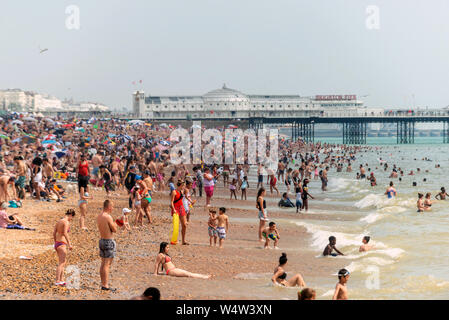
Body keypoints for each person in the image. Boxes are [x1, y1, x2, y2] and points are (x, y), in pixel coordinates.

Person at [97, 199, 117, 291]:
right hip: (108, 241)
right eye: (112, 207)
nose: (113, 208)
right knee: (107, 264)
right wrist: (116, 224)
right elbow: (114, 229)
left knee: (103, 263)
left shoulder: (99, 216)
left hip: (102, 240)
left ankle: (103, 283)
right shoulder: (108, 217)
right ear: (109, 207)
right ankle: (105, 285)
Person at [53, 209, 75, 286]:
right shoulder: (66, 222)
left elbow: (54, 232)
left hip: (57, 243)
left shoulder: (59, 221)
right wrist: (69, 244)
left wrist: (55, 242)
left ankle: (61, 279)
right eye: (72, 217)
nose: (71, 219)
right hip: (62, 243)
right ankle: (57, 280)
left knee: (63, 262)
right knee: (61, 263)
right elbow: (65, 233)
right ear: (71, 215)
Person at [170, 180, 188, 245]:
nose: (184, 187)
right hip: (176, 208)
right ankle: (175, 239)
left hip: (181, 207)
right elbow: (171, 202)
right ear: (180, 185)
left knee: (184, 225)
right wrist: (173, 209)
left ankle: (183, 240)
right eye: (183, 186)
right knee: (176, 225)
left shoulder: (182, 191)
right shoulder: (174, 192)